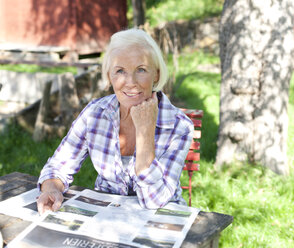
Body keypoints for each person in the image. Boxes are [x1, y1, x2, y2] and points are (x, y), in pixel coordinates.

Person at [36, 28, 194, 214]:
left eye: (141, 69)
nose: (130, 82)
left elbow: (154, 200)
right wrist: (51, 189)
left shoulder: (179, 126)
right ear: (110, 76)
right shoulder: (95, 113)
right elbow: (58, 165)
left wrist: (145, 132)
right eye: (120, 71)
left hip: (162, 219)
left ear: (156, 75)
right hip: (108, 217)